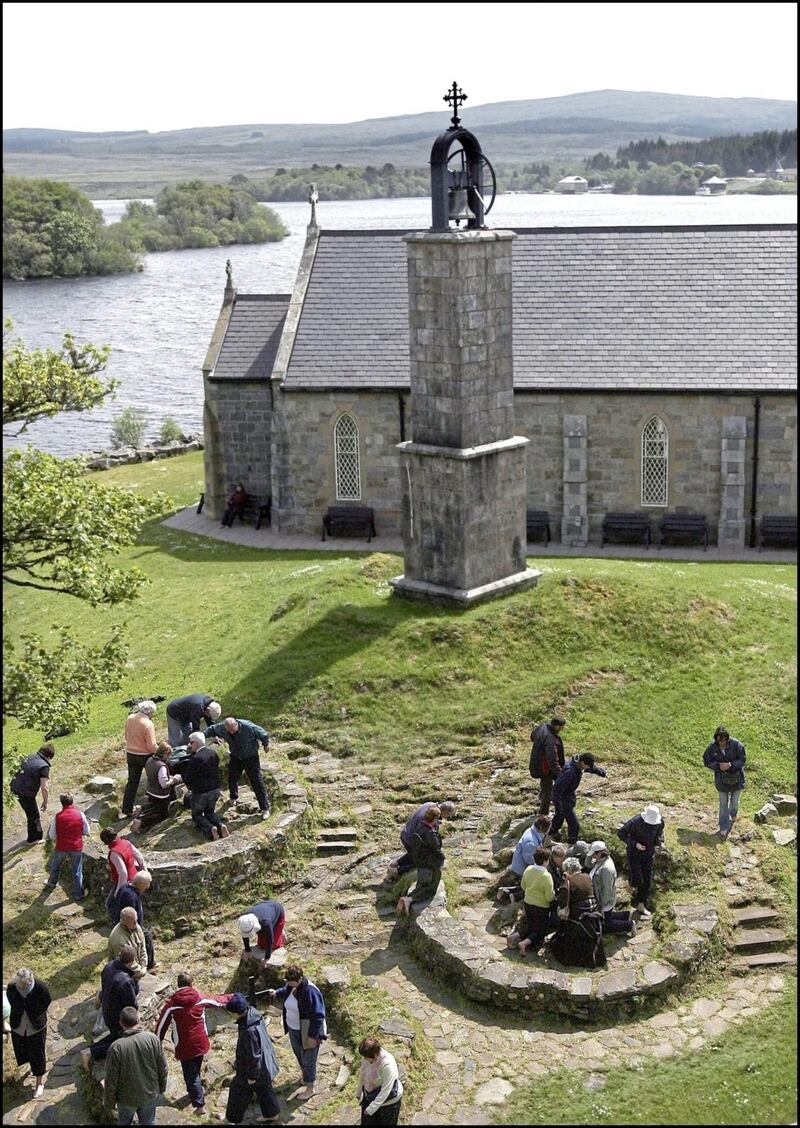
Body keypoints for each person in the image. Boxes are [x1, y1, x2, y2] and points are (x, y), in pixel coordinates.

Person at [155, 971, 232, 1115]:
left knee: (190, 1077)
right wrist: (233, 997)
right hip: (201, 1042)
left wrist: (156, 1043)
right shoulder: (200, 998)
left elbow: (160, 1027)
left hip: (184, 1047)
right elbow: (218, 1001)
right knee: (195, 1067)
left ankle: (199, 1105)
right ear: (191, 984)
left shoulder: (171, 1005)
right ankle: (197, 1087)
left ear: (178, 985)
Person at [266, 965, 327, 1101]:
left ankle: (310, 1088)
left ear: (300, 979)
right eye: (287, 981)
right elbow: (287, 990)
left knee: (308, 1060)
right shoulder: (291, 985)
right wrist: (277, 992)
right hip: (294, 1028)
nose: (288, 983)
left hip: (308, 1031)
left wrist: (312, 1036)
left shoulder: (311, 991)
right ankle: (306, 1078)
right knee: (299, 1054)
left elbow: (318, 1016)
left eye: (290, 981)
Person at [104, 1005, 168, 1127]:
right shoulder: (152, 1039)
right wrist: (161, 1088)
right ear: (138, 1021)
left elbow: (111, 1079)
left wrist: (109, 1103)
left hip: (126, 1099)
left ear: (121, 1024)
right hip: (150, 1093)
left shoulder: (116, 1047)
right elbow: (163, 1067)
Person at [223, 992, 281, 1125]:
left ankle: (232, 1119)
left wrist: (252, 1076)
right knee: (264, 1088)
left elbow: (254, 1056)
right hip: (265, 1063)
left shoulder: (249, 1031)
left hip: (252, 1069)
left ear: (237, 1012)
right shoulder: (254, 1014)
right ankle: (272, 1114)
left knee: (237, 1090)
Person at [80, 945, 139, 1067]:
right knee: (121, 1041)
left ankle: (89, 1049)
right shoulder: (125, 981)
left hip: (107, 1012)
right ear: (132, 961)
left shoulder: (109, 966)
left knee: (114, 1036)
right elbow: (132, 1005)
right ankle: (91, 1052)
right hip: (118, 1018)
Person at [205, 716, 271, 818]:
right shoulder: (221, 728)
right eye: (229, 730)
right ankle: (233, 797)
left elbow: (263, 733)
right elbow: (211, 730)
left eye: (233, 729)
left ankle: (265, 808)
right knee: (232, 777)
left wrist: (266, 744)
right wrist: (200, 737)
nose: (231, 732)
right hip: (236, 756)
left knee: (256, 781)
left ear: (236, 724)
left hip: (251, 757)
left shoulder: (248, 727)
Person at [549, 856, 606, 968]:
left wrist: (564, 883)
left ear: (567, 870)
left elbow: (562, 903)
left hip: (578, 919)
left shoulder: (568, 884)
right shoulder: (587, 877)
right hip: (592, 915)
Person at [7, 969, 51, 1098]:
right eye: (21, 985)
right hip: (19, 1026)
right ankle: (32, 1066)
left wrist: (35, 1012)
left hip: (36, 1026)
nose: (23, 987)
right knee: (23, 1049)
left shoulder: (40, 986)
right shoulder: (12, 987)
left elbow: (47, 1001)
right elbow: (11, 1000)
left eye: (26, 985)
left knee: (38, 1053)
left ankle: (39, 1083)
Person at [177, 731, 229, 841]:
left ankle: (211, 829)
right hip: (215, 788)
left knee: (197, 815)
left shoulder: (195, 759)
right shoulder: (213, 753)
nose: (189, 745)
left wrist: (181, 778)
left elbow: (189, 777)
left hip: (201, 792)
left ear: (196, 743)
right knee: (210, 811)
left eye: (191, 742)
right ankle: (220, 825)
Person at [386, 801, 456, 880]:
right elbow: (428, 840)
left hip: (406, 833)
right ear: (445, 812)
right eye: (449, 815)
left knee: (415, 854)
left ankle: (395, 863)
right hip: (411, 839)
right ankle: (396, 871)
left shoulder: (429, 805)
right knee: (423, 861)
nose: (448, 817)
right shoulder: (432, 820)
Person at [396, 805, 445, 916]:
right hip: (430, 864)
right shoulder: (431, 833)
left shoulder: (420, 827)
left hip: (420, 862)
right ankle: (409, 900)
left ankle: (407, 898)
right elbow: (437, 849)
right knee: (430, 889)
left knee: (421, 884)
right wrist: (442, 858)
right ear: (435, 819)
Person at [507, 846, 556, 956]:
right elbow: (549, 897)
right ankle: (524, 944)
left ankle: (514, 936)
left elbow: (523, 886)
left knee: (529, 926)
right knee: (540, 930)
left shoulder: (528, 869)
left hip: (528, 903)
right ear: (546, 861)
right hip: (541, 907)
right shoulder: (546, 876)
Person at [618, 803, 665, 917]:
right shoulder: (636, 821)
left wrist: (660, 843)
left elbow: (659, 835)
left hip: (648, 854)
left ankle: (641, 904)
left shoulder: (660, 822)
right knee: (637, 878)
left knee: (647, 881)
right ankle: (630, 887)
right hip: (634, 853)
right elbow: (621, 833)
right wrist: (635, 844)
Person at [550, 753, 607, 844]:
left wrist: (601, 772)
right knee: (573, 824)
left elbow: (591, 768)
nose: (588, 768)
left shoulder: (578, 764)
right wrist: (558, 807)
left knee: (558, 821)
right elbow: (556, 790)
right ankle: (571, 845)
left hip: (568, 797)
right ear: (583, 762)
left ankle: (546, 838)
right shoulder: (569, 772)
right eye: (588, 766)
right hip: (563, 798)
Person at [703, 725, 747, 839]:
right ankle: (724, 826)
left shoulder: (737, 745)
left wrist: (730, 765)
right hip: (721, 780)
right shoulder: (712, 747)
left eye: (723, 740)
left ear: (727, 738)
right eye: (719, 741)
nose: (721, 743)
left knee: (734, 803)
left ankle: (733, 814)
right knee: (723, 804)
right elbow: (706, 760)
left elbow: (742, 759)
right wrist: (717, 766)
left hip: (737, 780)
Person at [45, 792, 90, 901]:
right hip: (76, 846)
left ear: (61, 803)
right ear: (72, 801)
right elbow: (87, 831)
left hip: (62, 846)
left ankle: (51, 883)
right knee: (77, 871)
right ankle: (78, 894)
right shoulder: (80, 814)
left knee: (55, 865)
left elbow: (52, 835)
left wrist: (58, 838)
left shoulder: (57, 816)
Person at [588, 841, 636, 937]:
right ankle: (626, 915)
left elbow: (607, 889)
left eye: (594, 854)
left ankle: (629, 925)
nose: (592, 856)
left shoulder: (606, 869)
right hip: (603, 897)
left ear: (600, 853)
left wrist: (602, 905)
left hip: (605, 900)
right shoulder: (602, 861)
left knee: (606, 924)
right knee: (608, 916)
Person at [131, 742, 180, 834]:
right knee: (163, 814)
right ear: (164, 753)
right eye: (168, 754)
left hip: (150, 790)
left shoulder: (149, 760)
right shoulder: (162, 767)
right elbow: (164, 784)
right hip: (161, 794)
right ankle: (141, 822)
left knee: (155, 805)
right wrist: (174, 780)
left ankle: (141, 808)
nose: (169, 757)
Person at [10, 744, 54, 843]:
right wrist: (45, 801)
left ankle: (34, 836)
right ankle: (34, 839)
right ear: (49, 756)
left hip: (14, 786)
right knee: (33, 815)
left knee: (30, 812)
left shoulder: (29, 756)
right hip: (25, 792)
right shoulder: (44, 766)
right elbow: (45, 787)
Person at [101, 827, 146, 925]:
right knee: (137, 904)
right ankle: (138, 924)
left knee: (111, 904)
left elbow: (123, 873)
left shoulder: (114, 853)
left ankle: (118, 924)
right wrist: (144, 872)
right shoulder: (126, 842)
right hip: (135, 877)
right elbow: (139, 856)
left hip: (125, 883)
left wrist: (119, 891)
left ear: (107, 841)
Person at [115, 872, 157, 973]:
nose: (147, 887)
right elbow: (129, 915)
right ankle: (149, 965)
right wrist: (134, 928)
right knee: (146, 938)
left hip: (130, 923)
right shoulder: (130, 896)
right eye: (146, 885)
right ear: (140, 884)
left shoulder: (126, 886)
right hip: (131, 925)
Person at [122, 701, 158, 817]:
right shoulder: (148, 724)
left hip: (131, 753)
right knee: (153, 778)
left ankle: (127, 808)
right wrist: (160, 750)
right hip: (145, 755)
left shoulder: (130, 718)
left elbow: (126, 736)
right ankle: (154, 803)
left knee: (132, 782)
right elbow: (151, 746)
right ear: (150, 712)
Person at [358, 1036, 403, 1126]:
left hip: (389, 1102)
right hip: (371, 1096)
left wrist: (371, 1109)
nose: (365, 1059)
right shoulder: (367, 1056)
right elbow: (363, 1073)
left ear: (374, 1055)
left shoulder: (387, 1065)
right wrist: (358, 1092)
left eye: (366, 1058)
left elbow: (386, 1090)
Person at [529, 716, 566, 815]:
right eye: (561, 727)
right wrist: (560, 773)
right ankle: (543, 815)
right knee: (548, 791)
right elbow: (552, 759)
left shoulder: (542, 727)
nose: (562, 730)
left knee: (545, 786)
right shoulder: (550, 738)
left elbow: (532, 736)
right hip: (545, 768)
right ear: (557, 726)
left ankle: (542, 799)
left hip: (536, 763)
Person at [238, 900, 286, 967]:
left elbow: (270, 940)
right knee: (261, 945)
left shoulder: (266, 922)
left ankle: (279, 930)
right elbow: (245, 933)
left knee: (274, 945)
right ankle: (273, 930)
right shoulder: (244, 920)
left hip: (277, 912)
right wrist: (247, 950)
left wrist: (267, 958)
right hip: (265, 912)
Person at [108, 907, 149, 980]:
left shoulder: (135, 926)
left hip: (137, 971)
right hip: (124, 976)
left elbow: (143, 947)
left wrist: (144, 965)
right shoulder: (118, 940)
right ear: (125, 923)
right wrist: (141, 972)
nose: (136, 923)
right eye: (133, 922)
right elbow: (128, 964)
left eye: (136, 920)